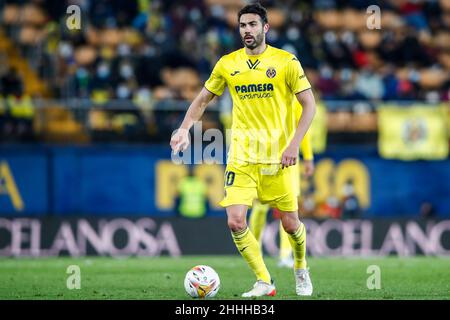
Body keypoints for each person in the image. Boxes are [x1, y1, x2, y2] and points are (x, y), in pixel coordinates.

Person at [170, 3, 316, 297]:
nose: (246, 31)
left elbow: (309, 106)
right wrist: (184, 129)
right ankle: (264, 280)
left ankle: (300, 268)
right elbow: (201, 100)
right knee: (236, 221)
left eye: (252, 25)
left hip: (278, 158)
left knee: (290, 224)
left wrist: (294, 145)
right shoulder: (228, 64)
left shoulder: (287, 62)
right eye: (242, 26)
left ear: (265, 28)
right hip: (242, 157)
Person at [249, 129, 315, 268]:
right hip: (263, 156)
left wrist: (308, 157)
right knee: (260, 206)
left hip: (288, 160)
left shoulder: (295, 106)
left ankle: (285, 255)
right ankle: (254, 250)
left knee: (287, 208)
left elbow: (303, 127)